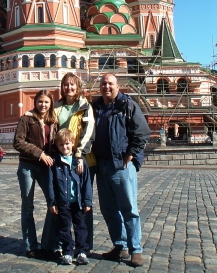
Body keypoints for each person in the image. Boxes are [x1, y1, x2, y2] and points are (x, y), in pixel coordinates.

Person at [92, 73, 150, 268]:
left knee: (129, 208)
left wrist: (131, 154)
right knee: (108, 209)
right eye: (103, 84)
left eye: (110, 84)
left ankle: (136, 250)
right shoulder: (96, 107)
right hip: (102, 164)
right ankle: (120, 245)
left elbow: (142, 132)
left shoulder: (127, 105)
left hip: (122, 165)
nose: (106, 87)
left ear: (118, 86)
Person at [53, 73, 96, 252]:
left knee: (83, 203)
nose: (68, 88)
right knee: (60, 203)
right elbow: (51, 131)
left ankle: (84, 246)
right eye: (65, 85)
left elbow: (89, 132)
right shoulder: (56, 107)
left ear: (78, 87)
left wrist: (79, 155)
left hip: (83, 161)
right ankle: (61, 243)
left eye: (72, 85)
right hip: (62, 161)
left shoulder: (85, 106)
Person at [13, 89, 58, 258]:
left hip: (47, 168)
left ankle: (48, 243)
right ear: (35, 101)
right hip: (28, 166)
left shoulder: (54, 120)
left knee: (54, 204)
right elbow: (18, 141)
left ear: (51, 103)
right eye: (40, 101)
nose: (43, 105)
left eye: (46, 102)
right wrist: (39, 154)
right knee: (28, 206)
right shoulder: (26, 118)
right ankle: (31, 245)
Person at [48, 129, 92, 265]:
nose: (64, 147)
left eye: (67, 144)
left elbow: (86, 183)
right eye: (61, 145)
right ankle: (67, 252)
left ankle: (82, 251)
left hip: (78, 203)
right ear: (57, 146)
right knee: (64, 228)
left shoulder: (80, 162)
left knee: (81, 227)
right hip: (63, 203)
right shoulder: (55, 163)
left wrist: (87, 201)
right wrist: (52, 202)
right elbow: (51, 184)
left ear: (72, 143)